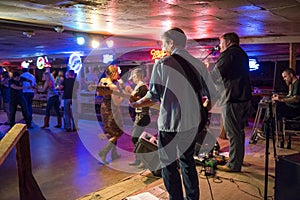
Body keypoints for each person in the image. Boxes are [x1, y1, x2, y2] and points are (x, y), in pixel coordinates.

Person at [131, 27, 215, 200]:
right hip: (191, 124)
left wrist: (136, 103)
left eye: (163, 43)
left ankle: (175, 198)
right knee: (187, 162)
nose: (162, 48)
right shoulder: (199, 64)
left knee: (168, 165)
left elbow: (153, 96)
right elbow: (212, 94)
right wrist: (204, 109)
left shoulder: (162, 64)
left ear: (172, 42)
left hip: (170, 124)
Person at [210, 32, 252, 172]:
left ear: (227, 42)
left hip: (232, 99)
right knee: (238, 132)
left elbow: (216, 75)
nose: (220, 46)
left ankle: (234, 165)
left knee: (233, 133)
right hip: (243, 99)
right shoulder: (241, 54)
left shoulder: (229, 54)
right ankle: (237, 160)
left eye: (221, 43)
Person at [97, 65, 124, 164]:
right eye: (117, 73)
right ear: (113, 73)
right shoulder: (113, 86)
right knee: (118, 132)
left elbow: (98, 94)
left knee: (112, 132)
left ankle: (114, 153)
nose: (118, 75)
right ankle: (103, 152)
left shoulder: (103, 81)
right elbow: (117, 102)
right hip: (112, 110)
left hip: (104, 107)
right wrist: (123, 91)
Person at [126, 68, 151, 167]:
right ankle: (139, 159)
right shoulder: (140, 86)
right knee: (136, 137)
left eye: (134, 77)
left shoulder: (142, 87)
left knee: (135, 137)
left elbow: (141, 101)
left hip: (142, 115)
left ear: (138, 76)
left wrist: (132, 100)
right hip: (140, 114)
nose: (133, 79)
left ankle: (142, 160)